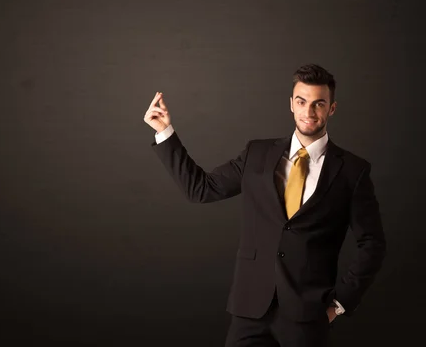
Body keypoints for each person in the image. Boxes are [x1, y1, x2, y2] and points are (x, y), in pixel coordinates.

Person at [143, 63, 386, 346]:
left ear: (331, 108)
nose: (309, 112)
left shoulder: (352, 172)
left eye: (319, 104)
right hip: (249, 311)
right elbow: (201, 189)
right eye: (302, 102)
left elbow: (373, 243)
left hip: (308, 315)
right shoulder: (256, 154)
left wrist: (341, 302)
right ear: (291, 105)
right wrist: (164, 132)